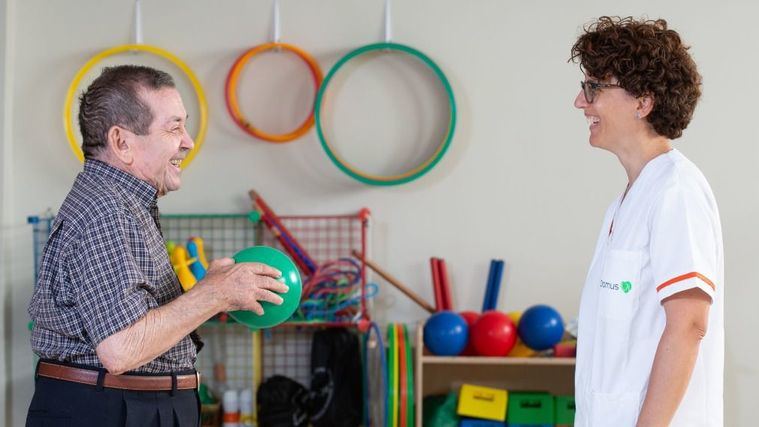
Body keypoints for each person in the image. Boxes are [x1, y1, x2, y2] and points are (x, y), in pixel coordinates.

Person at [26, 65, 288, 426]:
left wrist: (208, 291)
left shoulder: (124, 203)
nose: (188, 141)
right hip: (111, 409)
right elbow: (120, 347)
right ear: (122, 143)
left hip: (129, 405)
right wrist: (215, 294)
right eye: (174, 127)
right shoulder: (106, 209)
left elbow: (135, 324)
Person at [571, 17, 723, 426]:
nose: (580, 102)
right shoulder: (630, 201)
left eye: (594, 88)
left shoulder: (677, 192)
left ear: (643, 102)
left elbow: (689, 324)